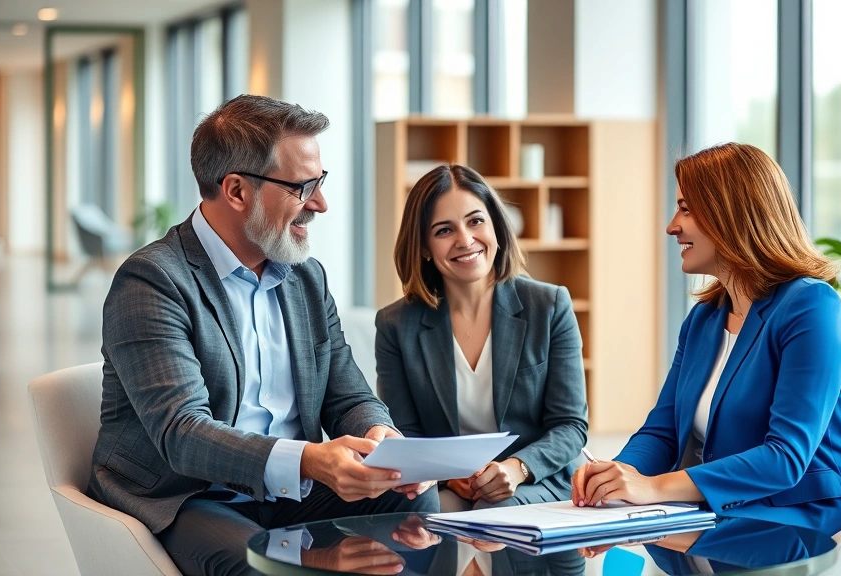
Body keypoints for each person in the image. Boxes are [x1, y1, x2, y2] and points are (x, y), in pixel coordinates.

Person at [86, 94, 437, 576]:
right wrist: (311, 461)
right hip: (187, 495)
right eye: (303, 187)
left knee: (412, 498)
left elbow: (348, 395)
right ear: (236, 191)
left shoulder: (305, 277)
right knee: (266, 565)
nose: (321, 203)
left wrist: (382, 439)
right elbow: (183, 434)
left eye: (321, 182)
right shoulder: (152, 281)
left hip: (292, 493)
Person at [571, 143, 841, 536]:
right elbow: (661, 432)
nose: (671, 225)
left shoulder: (812, 307)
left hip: (803, 517)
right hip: (729, 513)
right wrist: (619, 478)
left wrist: (653, 487)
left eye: (686, 209)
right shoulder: (704, 320)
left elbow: (785, 459)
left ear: (731, 213)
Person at [376, 163, 589, 511]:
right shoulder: (396, 324)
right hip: (452, 483)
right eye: (444, 230)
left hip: (538, 476)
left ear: (496, 226)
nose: (465, 239)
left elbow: (570, 426)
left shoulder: (549, 305)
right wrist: (447, 475)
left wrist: (516, 468)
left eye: (475, 221)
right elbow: (405, 435)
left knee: (497, 512)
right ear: (425, 248)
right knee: (421, 510)